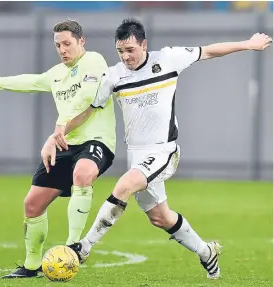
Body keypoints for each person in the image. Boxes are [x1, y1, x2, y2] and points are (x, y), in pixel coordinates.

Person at [45, 18, 272, 279]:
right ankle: (206, 251)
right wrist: (59, 131)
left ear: (144, 44)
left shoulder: (167, 59)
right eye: (120, 51)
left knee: (123, 186)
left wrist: (249, 44)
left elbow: (209, 50)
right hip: (137, 155)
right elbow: (88, 111)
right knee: (160, 218)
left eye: (130, 50)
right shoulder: (113, 75)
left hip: (164, 151)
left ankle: (84, 247)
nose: (126, 57)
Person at [0, 20, 116, 278]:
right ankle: (31, 265)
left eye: (67, 43)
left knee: (82, 173)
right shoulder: (57, 73)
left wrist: (58, 127)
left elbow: (86, 97)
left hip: (96, 141)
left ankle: (73, 246)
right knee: (32, 204)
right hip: (64, 142)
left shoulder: (94, 61)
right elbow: (32, 81)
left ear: (81, 41)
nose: (62, 49)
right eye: (58, 44)